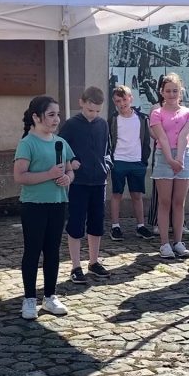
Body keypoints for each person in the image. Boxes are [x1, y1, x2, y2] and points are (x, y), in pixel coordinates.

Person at [13, 96, 74, 320]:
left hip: (58, 204)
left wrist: (68, 178)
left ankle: (50, 296)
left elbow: (70, 170)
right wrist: (48, 175)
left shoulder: (61, 142)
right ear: (36, 117)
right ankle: (29, 298)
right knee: (33, 250)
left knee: (53, 251)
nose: (56, 119)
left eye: (58, 114)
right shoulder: (27, 143)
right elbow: (19, 176)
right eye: (51, 114)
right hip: (34, 205)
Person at [58, 87, 111, 283]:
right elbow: (60, 149)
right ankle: (75, 265)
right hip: (78, 182)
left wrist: (107, 165)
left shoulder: (103, 125)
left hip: (99, 181)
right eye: (90, 110)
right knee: (76, 223)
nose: (93, 114)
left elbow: (108, 149)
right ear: (82, 102)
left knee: (97, 222)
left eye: (97, 111)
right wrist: (70, 164)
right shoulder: (71, 125)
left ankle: (94, 261)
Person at [150, 73, 189, 259]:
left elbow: (185, 136)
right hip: (163, 156)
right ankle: (164, 243)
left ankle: (178, 241)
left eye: (175, 90)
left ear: (181, 92)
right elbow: (161, 137)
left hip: (183, 156)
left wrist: (180, 159)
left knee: (179, 202)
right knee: (164, 201)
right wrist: (170, 160)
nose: (171, 94)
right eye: (167, 91)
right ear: (162, 92)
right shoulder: (157, 113)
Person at [107, 85, 152, 241]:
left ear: (131, 99)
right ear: (114, 102)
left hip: (137, 161)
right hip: (118, 161)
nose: (122, 104)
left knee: (137, 195)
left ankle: (140, 226)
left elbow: (146, 140)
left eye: (124, 99)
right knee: (116, 194)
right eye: (118, 101)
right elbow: (109, 140)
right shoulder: (113, 119)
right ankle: (115, 226)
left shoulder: (141, 118)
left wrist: (144, 160)